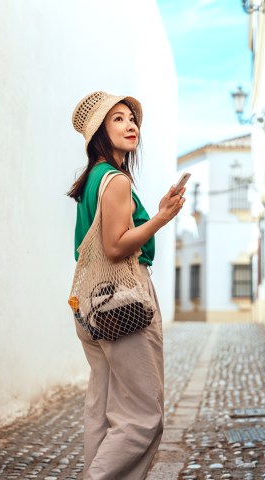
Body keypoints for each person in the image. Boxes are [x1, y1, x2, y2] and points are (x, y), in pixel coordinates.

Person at [67, 91, 186, 479]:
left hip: (91, 305)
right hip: (123, 303)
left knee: (102, 412)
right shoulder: (115, 181)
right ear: (100, 132)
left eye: (131, 117)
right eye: (117, 119)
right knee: (142, 419)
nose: (131, 124)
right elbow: (116, 247)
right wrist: (162, 217)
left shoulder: (94, 180)